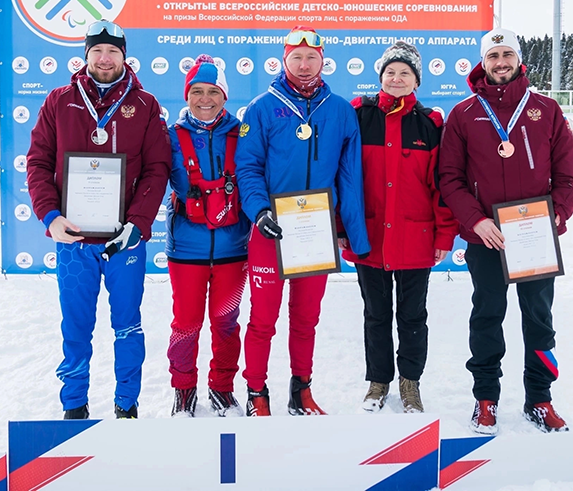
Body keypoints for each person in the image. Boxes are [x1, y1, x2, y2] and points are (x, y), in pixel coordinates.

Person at [26, 20, 171, 420]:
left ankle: (127, 404)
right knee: (75, 328)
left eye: (113, 52)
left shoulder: (145, 105)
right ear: (86, 56)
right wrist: (50, 216)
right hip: (74, 241)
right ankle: (74, 405)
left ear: (124, 56)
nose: (105, 59)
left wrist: (138, 224)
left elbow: (158, 168)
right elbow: (38, 163)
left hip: (125, 239)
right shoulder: (59, 101)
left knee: (127, 325)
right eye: (97, 52)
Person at [438, 28, 573, 434]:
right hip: (487, 237)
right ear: (483, 63)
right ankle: (486, 398)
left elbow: (567, 176)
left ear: (519, 60)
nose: (500, 62)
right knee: (487, 316)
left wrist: (558, 214)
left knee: (540, 319)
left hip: (535, 235)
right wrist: (475, 221)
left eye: (507, 54)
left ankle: (540, 398)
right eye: (493, 55)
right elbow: (450, 178)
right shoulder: (464, 113)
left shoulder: (546, 110)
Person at [235, 25, 370, 417]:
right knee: (262, 319)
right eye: (297, 57)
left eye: (312, 57)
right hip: (271, 229)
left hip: (316, 230)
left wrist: (350, 233)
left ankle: (302, 389)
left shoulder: (341, 110)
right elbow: (248, 166)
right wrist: (259, 212)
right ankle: (257, 391)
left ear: (323, 60)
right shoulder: (262, 107)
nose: (305, 64)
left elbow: (349, 176)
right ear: (284, 60)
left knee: (306, 319)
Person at [342, 41, 458, 414]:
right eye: (390, 72)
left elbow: (442, 186)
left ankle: (410, 383)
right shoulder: (358, 117)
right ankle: (379, 382)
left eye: (404, 73)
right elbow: (342, 177)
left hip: (414, 238)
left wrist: (444, 235)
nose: (396, 78)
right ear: (380, 77)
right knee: (376, 313)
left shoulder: (429, 124)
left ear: (416, 81)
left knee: (412, 316)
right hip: (369, 237)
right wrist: (343, 228)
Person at [165, 55, 250, 418]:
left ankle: (222, 386)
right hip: (186, 248)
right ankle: (183, 389)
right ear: (186, 95)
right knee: (186, 322)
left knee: (226, 321)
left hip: (233, 246)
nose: (204, 99)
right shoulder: (170, 136)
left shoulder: (242, 133)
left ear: (224, 96)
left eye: (213, 91)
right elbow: (148, 177)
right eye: (196, 91)